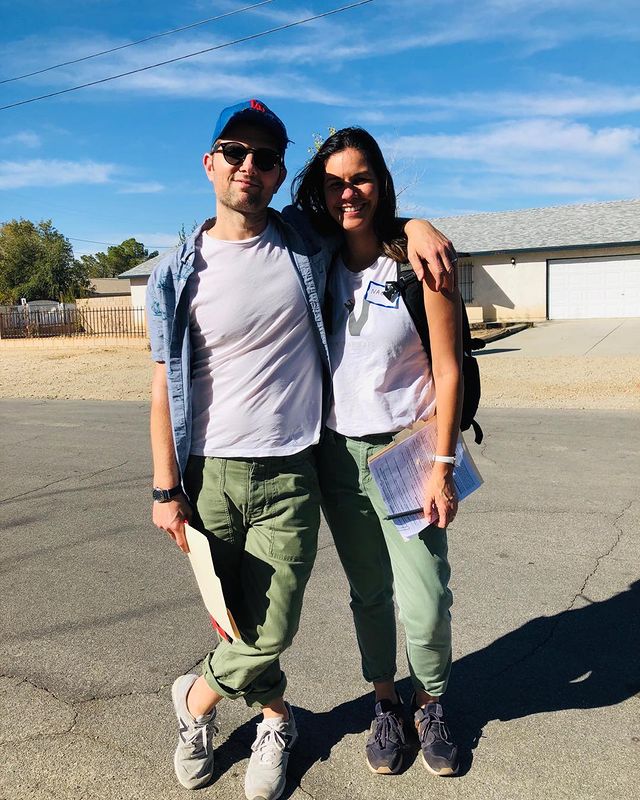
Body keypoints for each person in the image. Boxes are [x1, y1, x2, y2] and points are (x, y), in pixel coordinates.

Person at [146, 100, 457, 800]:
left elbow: (363, 215)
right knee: (239, 618)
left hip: (299, 466)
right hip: (213, 473)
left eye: (264, 157)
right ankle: (276, 717)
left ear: (282, 171)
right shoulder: (175, 272)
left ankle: (196, 696)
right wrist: (166, 488)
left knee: (288, 619)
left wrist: (416, 224)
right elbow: (163, 383)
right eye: (235, 152)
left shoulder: (300, 242)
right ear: (210, 163)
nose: (249, 166)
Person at [293, 127, 463, 777]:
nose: (348, 192)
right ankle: (386, 702)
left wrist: (442, 466)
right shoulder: (318, 263)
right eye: (335, 181)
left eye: (360, 177)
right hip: (338, 456)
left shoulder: (418, 263)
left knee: (425, 598)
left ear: (381, 181)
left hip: (407, 453)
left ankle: (435, 704)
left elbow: (447, 373)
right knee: (369, 594)